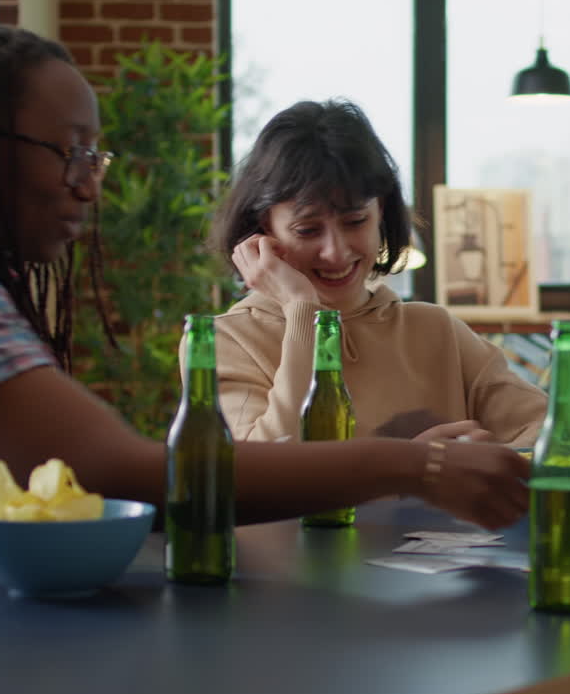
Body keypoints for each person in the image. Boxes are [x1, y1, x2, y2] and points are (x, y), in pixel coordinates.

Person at [0, 26, 530, 574]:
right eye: (71, 151)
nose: (91, 180)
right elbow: (121, 469)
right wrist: (413, 466)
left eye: (95, 155)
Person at [203, 99, 547, 445]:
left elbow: (551, 435)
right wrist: (301, 310)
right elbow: (260, 474)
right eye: (307, 230)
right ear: (266, 227)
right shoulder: (230, 341)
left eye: (355, 222)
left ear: (380, 211)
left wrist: (492, 458)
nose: (335, 252)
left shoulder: (436, 331)